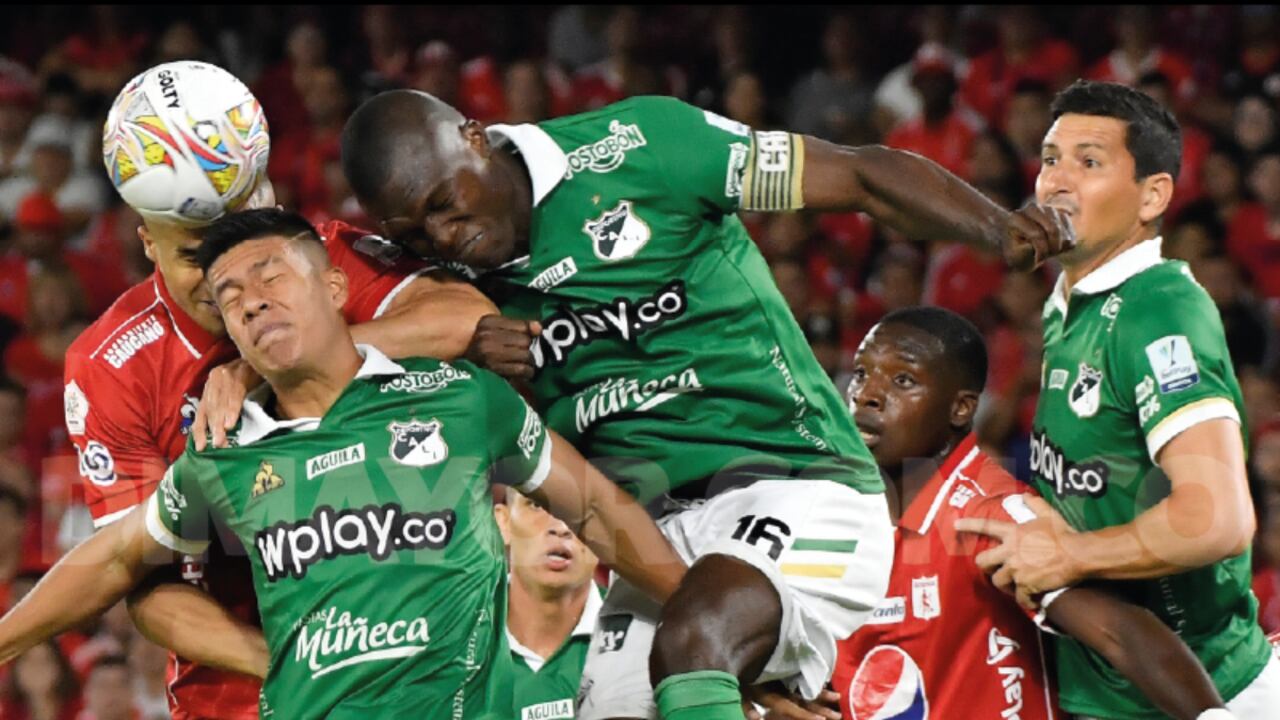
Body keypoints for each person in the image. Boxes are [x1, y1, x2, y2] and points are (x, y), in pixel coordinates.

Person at [336, 88, 1072, 719]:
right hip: (650, 537)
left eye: (443, 203)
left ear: (473, 136)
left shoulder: (643, 146)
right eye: (415, 234)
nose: (443, 237)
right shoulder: (453, 290)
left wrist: (993, 225)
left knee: (696, 639)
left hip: (797, 481)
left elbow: (858, 177)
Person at [5, 208, 685, 720]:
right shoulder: (221, 458)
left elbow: (596, 508)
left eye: (271, 275)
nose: (252, 299)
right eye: (231, 296)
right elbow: (115, 561)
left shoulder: (461, 399)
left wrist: (704, 617)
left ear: (335, 286)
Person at [65, 62, 497, 719]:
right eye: (194, 255)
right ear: (147, 242)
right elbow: (146, 584)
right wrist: (304, 664)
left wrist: (268, 367)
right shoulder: (111, 364)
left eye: (241, 231)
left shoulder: (318, 255)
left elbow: (467, 318)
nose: (224, 270)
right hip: (244, 691)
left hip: (423, 662)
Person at [958, 80, 1280, 717]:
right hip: (1103, 687)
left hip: (1199, 694)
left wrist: (1069, 554)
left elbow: (1218, 518)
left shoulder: (1158, 311)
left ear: (1152, 195)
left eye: (1090, 161)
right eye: (1050, 159)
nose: (1055, 181)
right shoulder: (1071, 306)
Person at [834, 306, 1232, 720]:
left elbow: (1121, 631)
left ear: (961, 409)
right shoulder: (834, 513)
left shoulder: (989, 514)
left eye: (903, 380)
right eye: (862, 373)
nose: (867, 395)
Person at [496, 487, 601, 719]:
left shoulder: (644, 635)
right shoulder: (453, 639)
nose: (561, 527)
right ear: (503, 521)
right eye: (536, 505)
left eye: (580, 508)